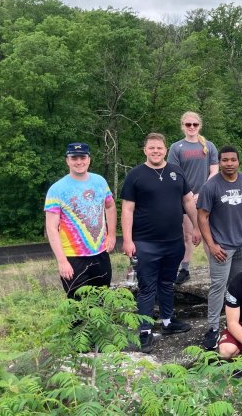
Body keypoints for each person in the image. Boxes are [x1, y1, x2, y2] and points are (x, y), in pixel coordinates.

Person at [121, 133, 201, 353]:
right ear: (144, 150)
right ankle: (145, 331)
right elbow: (127, 208)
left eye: (159, 148)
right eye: (151, 148)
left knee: (167, 283)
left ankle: (167, 321)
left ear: (166, 149)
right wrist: (127, 239)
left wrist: (195, 227)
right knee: (147, 287)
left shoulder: (177, 172)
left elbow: (187, 200)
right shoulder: (135, 175)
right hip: (146, 242)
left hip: (173, 241)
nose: (155, 151)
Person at [197, 145, 242, 350]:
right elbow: (202, 217)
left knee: (239, 286)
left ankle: (239, 323)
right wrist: (211, 244)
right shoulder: (211, 186)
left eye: (233, 160)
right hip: (221, 247)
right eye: (225, 160)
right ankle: (214, 328)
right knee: (218, 286)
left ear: (238, 161)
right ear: (220, 162)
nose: (229, 164)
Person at [45, 142, 117, 299]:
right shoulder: (57, 189)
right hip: (73, 258)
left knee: (102, 302)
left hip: (100, 254)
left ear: (89, 159)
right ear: (67, 161)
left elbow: (110, 206)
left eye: (82, 157)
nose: (79, 162)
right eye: (74, 158)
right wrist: (62, 261)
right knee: (78, 307)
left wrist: (111, 235)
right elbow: (51, 227)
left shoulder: (100, 182)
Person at [167, 111, 218, 284]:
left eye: (194, 124)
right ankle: (185, 268)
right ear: (183, 126)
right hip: (184, 198)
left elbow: (214, 172)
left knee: (207, 234)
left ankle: (215, 269)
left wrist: (202, 192)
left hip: (206, 197)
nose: (191, 127)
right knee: (187, 235)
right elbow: (173, 174)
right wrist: (187, 193)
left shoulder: (209, 146)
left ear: (199, 126)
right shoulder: (176, 147)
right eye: (188, 124)